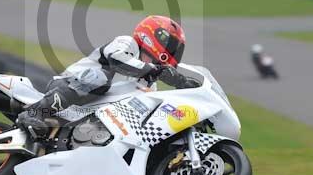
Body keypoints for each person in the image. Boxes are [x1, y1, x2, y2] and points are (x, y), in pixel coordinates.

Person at [17, 15, 198, 139]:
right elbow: (117, 59)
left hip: (91, 115)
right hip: (67, 87)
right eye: (170, 46)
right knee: (99, 79)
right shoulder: (127, 43)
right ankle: (35, 112)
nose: (172, 52)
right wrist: (155, 70)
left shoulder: (149, 85)